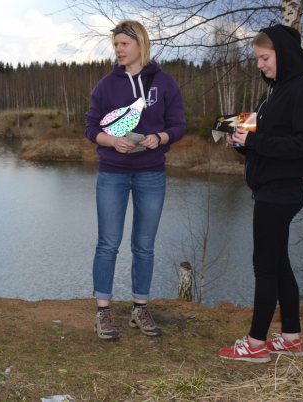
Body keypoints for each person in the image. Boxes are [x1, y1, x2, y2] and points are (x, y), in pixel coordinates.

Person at [218, 25, 303, 362]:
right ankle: (290, 337)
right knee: (279, 264)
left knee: (264, 266)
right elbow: (264, 140)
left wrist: (256, 142)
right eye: (257, 58)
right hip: (270, 187)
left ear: (283, 54)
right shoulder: (272, 92)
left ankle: (256, 343)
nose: (260, 64)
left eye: (264, 57)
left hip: (281, 191)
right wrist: (242, 142)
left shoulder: (300, 92)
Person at [85, 21, 185, 340]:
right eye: (115, 45)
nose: (118, 49)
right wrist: (112, 141)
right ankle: (103, 313)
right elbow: (90, 128)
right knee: (108, 244)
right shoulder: (105, 86)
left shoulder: (165, 83)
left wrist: (160, 137)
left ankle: (139, 308)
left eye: (124, 44)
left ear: (140, 44)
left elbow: (179, 125)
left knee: (144, 246)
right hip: (112, 172)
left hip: (151, 172)